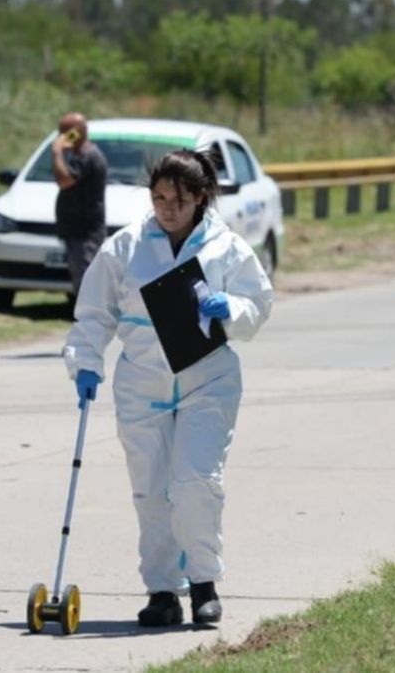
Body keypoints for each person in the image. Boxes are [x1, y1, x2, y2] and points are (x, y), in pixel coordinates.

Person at [62, 149, 274, 628]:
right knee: (152, 491)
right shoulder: (126, 247)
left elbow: (258, 303)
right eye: (159, 198)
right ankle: (162, 591)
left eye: (178, 199)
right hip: (142, 384)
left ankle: (203, 584)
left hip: (208, 381)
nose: (167, 208)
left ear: (200, 198)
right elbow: (94, 311)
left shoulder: (226, 246)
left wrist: (232, 309)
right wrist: (86, 361)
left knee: (195, 480)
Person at [50, 112, 108, 301]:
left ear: (79, 132)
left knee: (87, 284)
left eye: (66, 132)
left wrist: (57, 152)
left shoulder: (88, 156)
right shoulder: (78, 156)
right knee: (81, 283)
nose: (61, 137)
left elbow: (64, 180)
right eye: (60, 132)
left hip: (86, 232)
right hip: (76, 231)